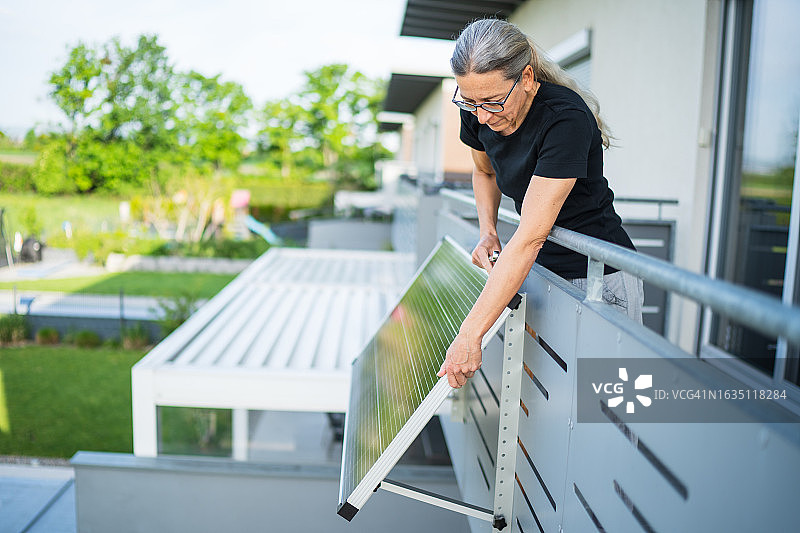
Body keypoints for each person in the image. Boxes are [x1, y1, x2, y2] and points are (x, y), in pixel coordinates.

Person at [437, 19, 643, 389]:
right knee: (551, 400)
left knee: (608, 410)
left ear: (527, 78)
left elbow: (531, 235)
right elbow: (484, 173)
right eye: (470, 102)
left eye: (493, 102)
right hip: (540, 270)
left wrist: (470, 334)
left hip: (599, 277)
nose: (482, 116)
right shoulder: (477, 105)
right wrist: (488, 232)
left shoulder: (566, 118)